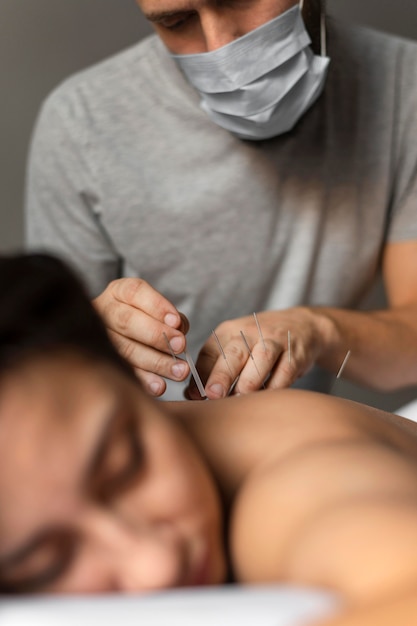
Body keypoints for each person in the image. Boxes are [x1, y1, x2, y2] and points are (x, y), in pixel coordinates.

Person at [24, 0, 417, 401]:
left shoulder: (406, 88)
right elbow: (42, 378)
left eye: (239, 0)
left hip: (296, 435)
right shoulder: (79, 125)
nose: (220, 49)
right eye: (177, 22)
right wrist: (86, 338)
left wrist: (318, 331)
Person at [1, 252, 417, 626]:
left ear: (131, 379)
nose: (156, 566)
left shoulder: (293, 486)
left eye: (128, 464)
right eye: (48, 563)